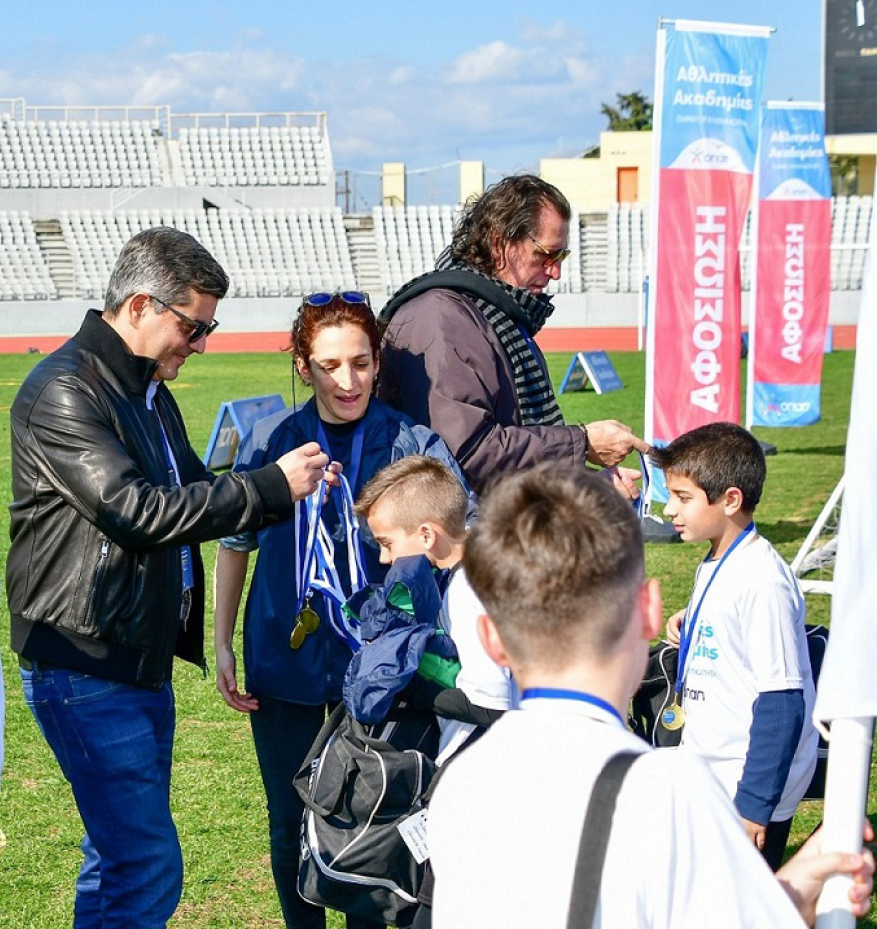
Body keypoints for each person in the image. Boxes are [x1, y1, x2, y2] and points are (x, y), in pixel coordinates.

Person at [7, 227, 336, 929]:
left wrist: (283, 487)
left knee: (117, 858)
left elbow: (194, 488)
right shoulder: (65, 390)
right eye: (193, 325)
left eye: (208, 327)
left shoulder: (148, 391)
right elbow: (137, 511)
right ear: (138, 305)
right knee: (147, 863)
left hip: (133, 661)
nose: (201, 342)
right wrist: (271, 487)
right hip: (84, 664)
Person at [427, 466, 873, 928]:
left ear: (491, 637)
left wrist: (790, 887)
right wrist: (800, 893)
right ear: (649, 611)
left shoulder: (458, 786)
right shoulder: (668, 789)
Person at [213, 292, 472, 929]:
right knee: (290, 820)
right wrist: (222, 642)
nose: (346, 380)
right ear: (303, 366)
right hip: (287, 657)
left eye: (360, 363)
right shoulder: (275, 439)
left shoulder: (411, 441)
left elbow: (464, 532)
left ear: (378, 362)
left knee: (374, 812)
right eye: (329, 365)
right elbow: (235, 542)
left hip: (383, 671)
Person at [378, 173, 646, 495]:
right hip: (454, 536)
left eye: (561, 256)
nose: (555, 272)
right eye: (545, 255)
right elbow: (465, 454)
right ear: (499, 243)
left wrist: (585, 482)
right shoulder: (440, 317)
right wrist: (581, 443)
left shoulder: (497, 313)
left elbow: (514, 440)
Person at [653, 422, 819, 871]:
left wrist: (753, 806)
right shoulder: (719, 557)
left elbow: (783, 701)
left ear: (730, 499)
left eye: (683, 497)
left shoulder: (762, 581)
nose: (669, 509)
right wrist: (694, 626)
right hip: (710, 769)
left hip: (743, 783)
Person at [353, 454, 514, 762]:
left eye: (387, 543)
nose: (384, 559)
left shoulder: (468, 592)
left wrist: (414, 690)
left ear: (426, 535)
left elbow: (493, 704)